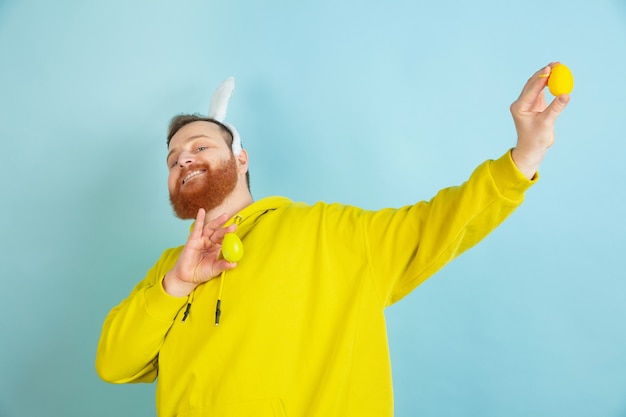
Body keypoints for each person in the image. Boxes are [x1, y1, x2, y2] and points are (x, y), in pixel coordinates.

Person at [96, 63, 570, 417]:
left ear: (241, 158)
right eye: (173, 158)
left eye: (200, 146)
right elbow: (114, 365)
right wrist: (177, 282)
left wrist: (524, 156)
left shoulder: (327, 232)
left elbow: (441, 222)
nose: (184, 159)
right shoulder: (167, 270)